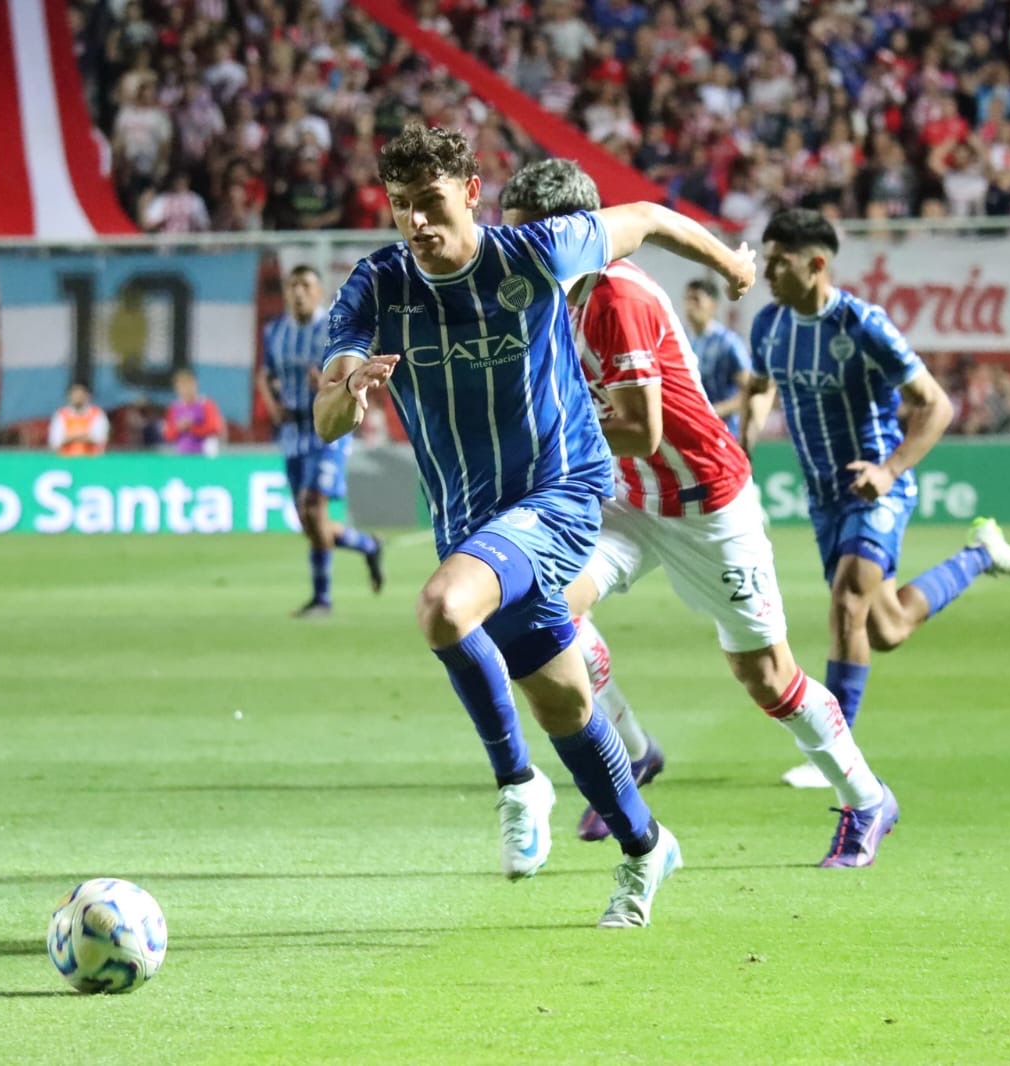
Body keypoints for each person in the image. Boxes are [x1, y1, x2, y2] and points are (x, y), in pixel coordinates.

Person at [314, 124, 755, 928]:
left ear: (473, 195)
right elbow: (327, 414)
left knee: (446, 609)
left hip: (560, 492)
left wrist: (729, 264)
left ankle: (516, 783)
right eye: (402, 206)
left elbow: (650, 216)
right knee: (565, 707)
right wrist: (355, 391)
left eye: (432, 204)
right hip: (472, 517)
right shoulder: (377, 286)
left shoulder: (539, 250)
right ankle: (646, 845)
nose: (416, 222)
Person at [500, 160, 896, 866]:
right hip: (631, 499)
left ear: (568, 235)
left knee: (767, 677)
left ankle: (867, 799)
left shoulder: (617, 299)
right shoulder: (553, 291)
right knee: (543, 615)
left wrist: (540, 432)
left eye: (526, 236)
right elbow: (652, 218)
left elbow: (642, 429)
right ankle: (631, 754)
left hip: (707, 503)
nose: (515, 252)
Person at [738, 209, 1010, 788]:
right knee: (887, 627)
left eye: (778, 261)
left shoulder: (863, 325)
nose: (767, 271)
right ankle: (980, 554)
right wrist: (746, 438)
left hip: (875, 486)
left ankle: (834, 755)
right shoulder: (769, 325)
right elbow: (758, 386)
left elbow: (937, 405)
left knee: (848, 601)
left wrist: (889, 469)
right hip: (824, 495)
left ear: (817, 264)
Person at [259, 265, 385, 618]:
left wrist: (329, 387)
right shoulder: (275, 332)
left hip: (328, 428)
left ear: (318, 292)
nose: (298, 292)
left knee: (313, 506)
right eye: (292, 285)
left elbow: (351, 374)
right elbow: (265, 374)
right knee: (308, 520)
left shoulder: (332, 329)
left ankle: (322, 599)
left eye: (305, 285)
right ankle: (368, 545)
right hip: (292, 430)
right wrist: (272, 403)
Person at [680, 277, 752, 437]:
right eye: (687, 299)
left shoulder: (728, 343)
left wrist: (713, 412)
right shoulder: (679, 339)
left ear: (713, 305)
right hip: (689, 432)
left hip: (723, 433)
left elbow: (748, 392)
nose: (690, 306)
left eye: (696, 299)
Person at [162, 369, 223, 454]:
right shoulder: (174, 407)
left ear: (195, 384)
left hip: (204, 455)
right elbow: (168, 434)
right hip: (182, 455)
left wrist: (191, 427)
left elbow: (215, 428)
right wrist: (178, 428)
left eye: (188, 385)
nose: (185, 389)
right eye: (181, 386)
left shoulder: (206, 404)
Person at [49, 383, 109, 456]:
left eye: (81, 395)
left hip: (91, 460)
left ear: (87, 396)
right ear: (69, 396)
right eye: (75, 395)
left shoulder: (97, 414)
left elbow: (100, 439)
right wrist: (82, 437)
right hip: (66, 461)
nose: (78, 398)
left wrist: (72, 437)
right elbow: (55, 442)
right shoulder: (60, 415)